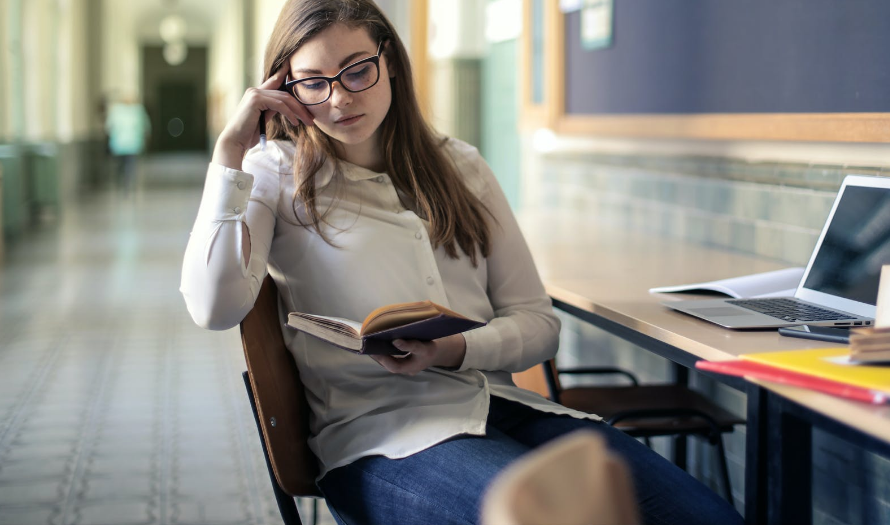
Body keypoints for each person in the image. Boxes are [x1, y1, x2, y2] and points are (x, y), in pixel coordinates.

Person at [180, 1, 743, 524]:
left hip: (504, 407)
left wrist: (456, 350)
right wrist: (229, 157)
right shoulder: (273, 172)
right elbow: (214, 306)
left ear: (390, 62)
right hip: (382, 439)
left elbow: (539, 326)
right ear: (285, 88)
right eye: (313, 82)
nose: (339, 99)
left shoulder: (462, 166)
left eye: (356, 71)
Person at [105, 94, 151, 194]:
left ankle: (122, 181)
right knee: (130, 165)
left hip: (119, 144)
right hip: (133, 144)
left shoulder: (116, 111)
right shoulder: (138, 110)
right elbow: (146, 126)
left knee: (120, 164)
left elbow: (108, 127)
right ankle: (127, 183)